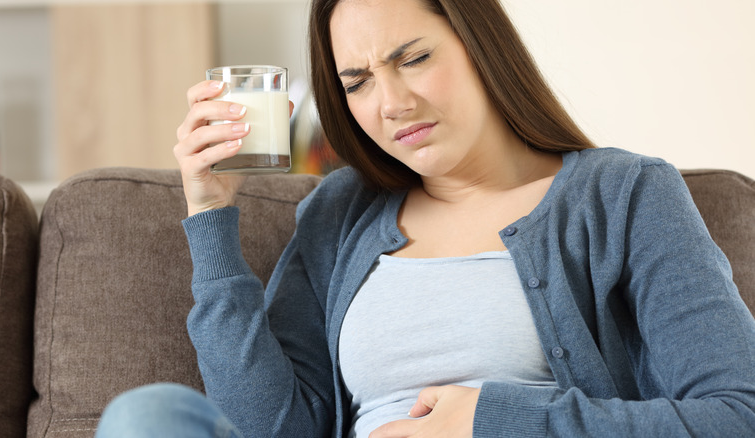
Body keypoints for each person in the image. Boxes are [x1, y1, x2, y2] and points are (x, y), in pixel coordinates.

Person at [96, 0, 755, 436]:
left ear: (479, 44)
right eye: (356, 82)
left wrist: (494, 418)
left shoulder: (624, 193)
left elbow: (738, 414)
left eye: (412, 59)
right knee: (145, 416)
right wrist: (210, 218)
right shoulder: (340, 211)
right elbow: (273, 426)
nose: (392, 103)